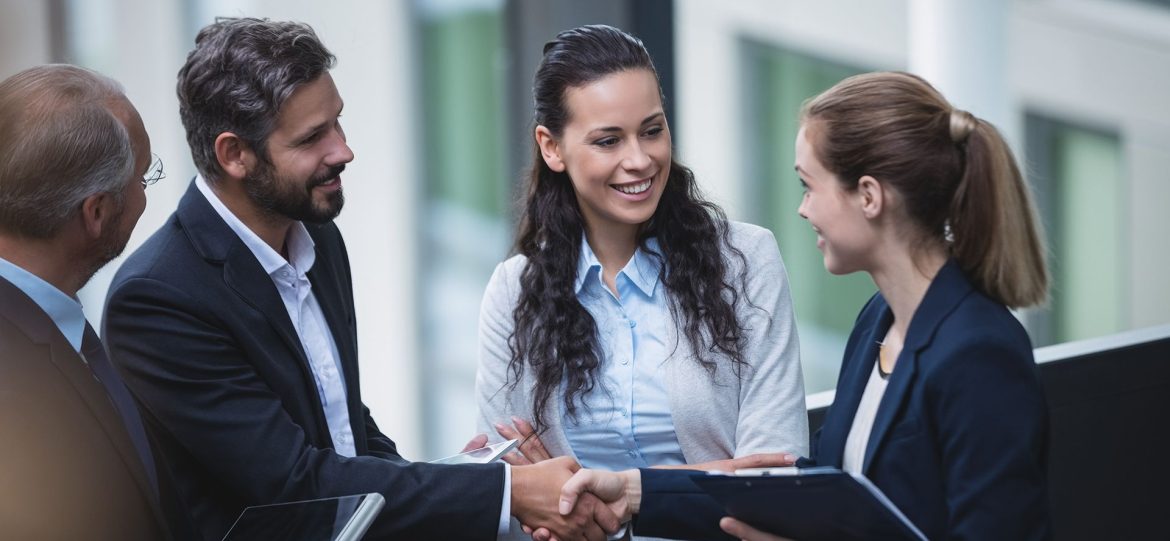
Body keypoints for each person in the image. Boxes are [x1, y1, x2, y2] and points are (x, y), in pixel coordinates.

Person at [101, 17, 618, 541]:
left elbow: (347, 433)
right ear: (234, 155)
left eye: (337, 122)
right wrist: (510, 494)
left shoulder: (315, 238)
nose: (343, 150)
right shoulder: (158, 299)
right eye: (312, 138)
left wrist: (459, 481)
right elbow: (294, 483)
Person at [553, 71, 1053, 541]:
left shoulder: (980, 352)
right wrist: (636, 492)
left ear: (869, 197)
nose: (803, 208)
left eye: (808, 185)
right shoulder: (879, 319)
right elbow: (826, 492)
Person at [476, 25, 806, 503]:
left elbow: (773, 477)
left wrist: (619, 502)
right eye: (608, 141)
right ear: (552, 147)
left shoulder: (746, 262)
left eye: (652, 131)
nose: (640, 160)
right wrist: (714, 474)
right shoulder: (514, 289)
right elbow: (512, 486)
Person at [0, 64, 170, 539]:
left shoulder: (49, 326)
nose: (144, 193)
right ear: (97, 212)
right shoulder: (13, 390)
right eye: (144, 175)